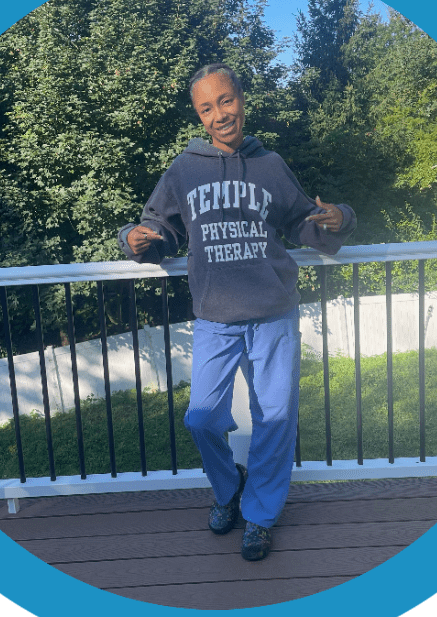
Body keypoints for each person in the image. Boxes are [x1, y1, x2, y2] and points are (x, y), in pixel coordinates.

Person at [118, 63, 356, 561]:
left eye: (225, 100)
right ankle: (229, 489)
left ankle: (260, 516)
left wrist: (340, 218)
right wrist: (134, 240)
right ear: (199, 116)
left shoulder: (270, 164)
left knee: (275, 418)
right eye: (207, 108)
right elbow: (158, 229)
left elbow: (304, 222)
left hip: (273, 312)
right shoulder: (183, 170)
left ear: (241, 99)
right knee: (202, 418)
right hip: (214, 318)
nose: (220, 114)